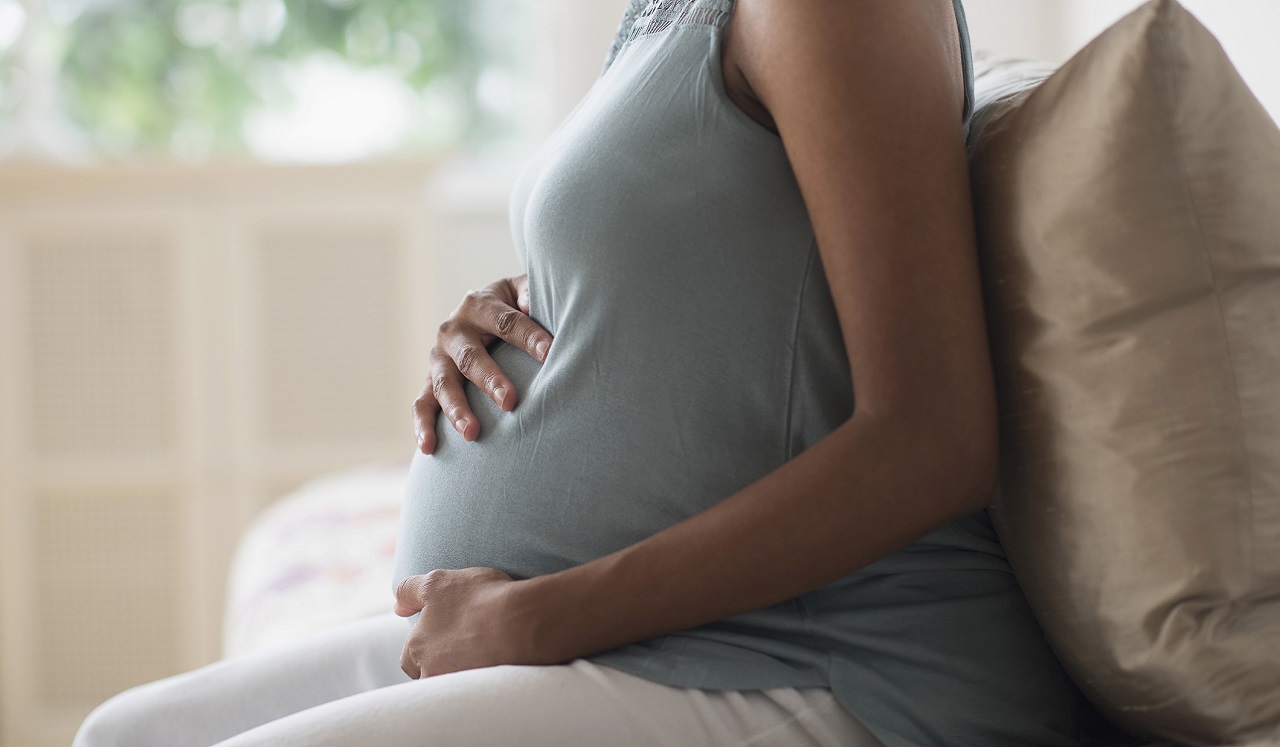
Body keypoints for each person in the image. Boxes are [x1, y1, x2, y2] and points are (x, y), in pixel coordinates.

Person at [74, 1, 1083, 745]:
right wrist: (524, 300)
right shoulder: (665, 15)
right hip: (652, 636)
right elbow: (722, 269)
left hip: (821, 661)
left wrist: (536, 618)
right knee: (121, 735)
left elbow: (930, 439)